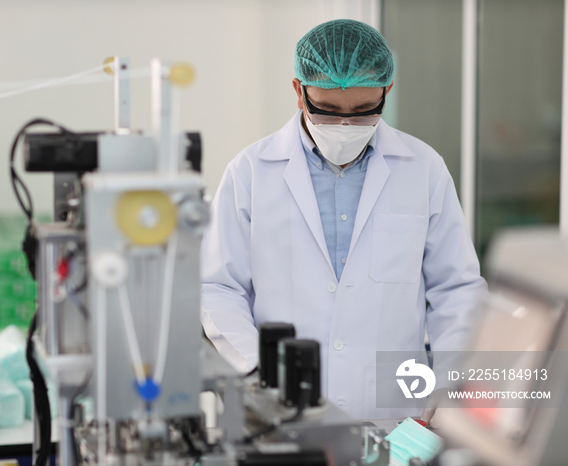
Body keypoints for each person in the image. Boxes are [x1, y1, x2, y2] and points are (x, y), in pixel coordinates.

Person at [200, 19, 487, 420]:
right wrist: (258, 371)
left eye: (365, 110)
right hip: (279, 411)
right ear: (299, 91)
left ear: (386, 91)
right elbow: (217, 287)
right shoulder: (250, 172)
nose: (347, 126)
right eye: (329, 111)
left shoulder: (423, 169)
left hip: (397, 410)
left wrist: (447, 387)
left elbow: (456, 289)